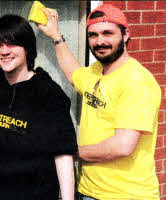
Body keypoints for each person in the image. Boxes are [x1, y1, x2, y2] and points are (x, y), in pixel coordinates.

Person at [38, 4, 161, 200]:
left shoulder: (137, 80)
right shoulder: (95, 71)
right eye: (93, 35)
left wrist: (69, 152)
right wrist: (56, 37)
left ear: (126, 34)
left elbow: (123, 145)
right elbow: (73, 74)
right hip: (88, 190)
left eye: (107, 33)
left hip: (126, 195)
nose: (100, 41)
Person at [0, 14, 77, 200]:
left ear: (28, 48)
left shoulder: (49, 93)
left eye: (12, 44)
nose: (4, 51)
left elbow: (63, 156)